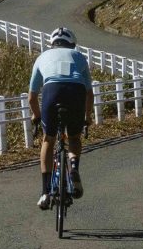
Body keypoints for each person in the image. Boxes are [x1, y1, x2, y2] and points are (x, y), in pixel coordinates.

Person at [28, 26, 95, 210]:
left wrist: (37, 116)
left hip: (52, 92)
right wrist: (87, 117)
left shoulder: (42, 57)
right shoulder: (79, 57)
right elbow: (89, 93)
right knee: (73, 137)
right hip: (76, 92)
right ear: (72, 45)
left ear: (52, 44)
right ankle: (73, 167)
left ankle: (44, 192)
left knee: (48, 139)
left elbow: (32, 97)